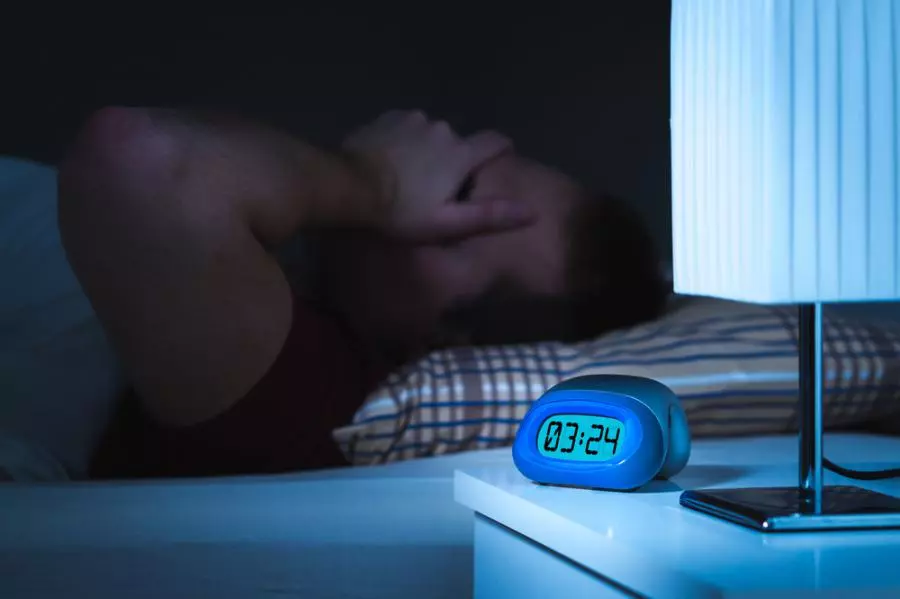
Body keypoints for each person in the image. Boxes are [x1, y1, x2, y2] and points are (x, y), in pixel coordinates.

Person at [58, 107, 668, 478]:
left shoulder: (316, 398)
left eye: (457, 198)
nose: (440, 153)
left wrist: (375, 183)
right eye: (473, 149)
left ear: (445, 336)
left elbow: (137, 161)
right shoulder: (309, 291)